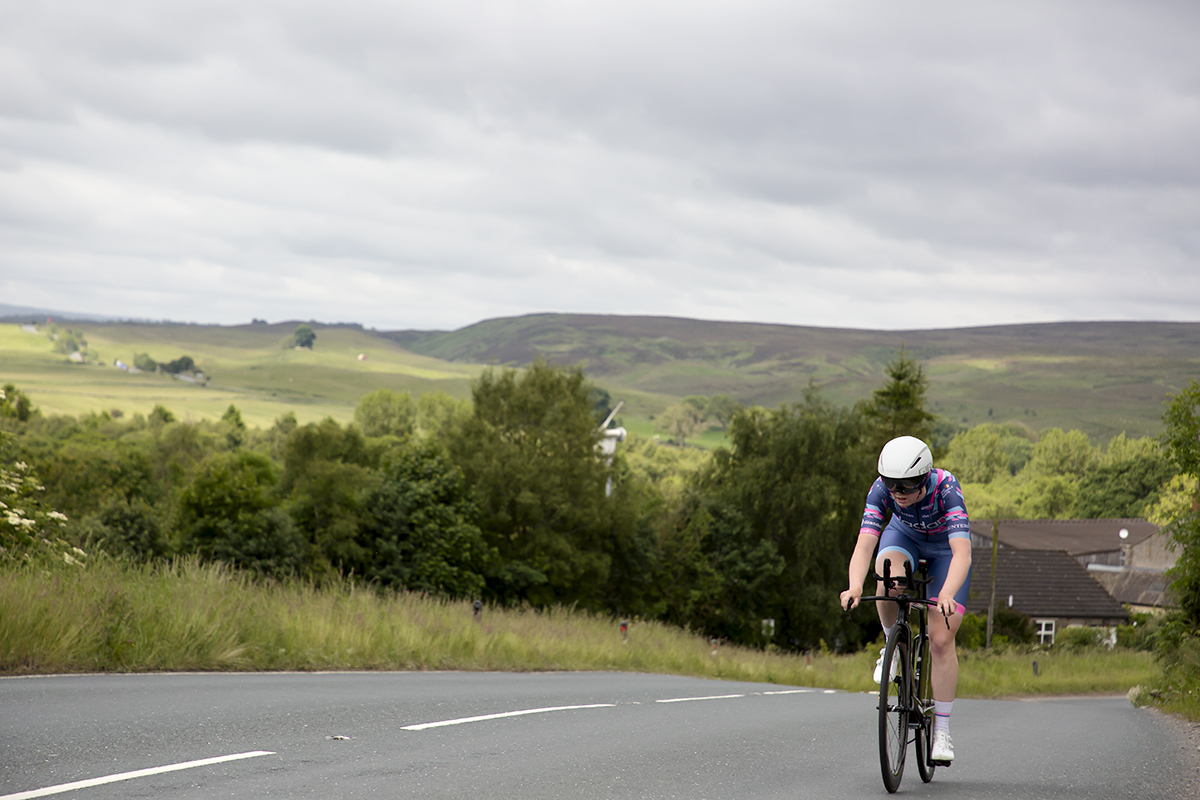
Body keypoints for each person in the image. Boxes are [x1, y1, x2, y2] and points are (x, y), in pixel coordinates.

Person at [840, 435, 972, 764]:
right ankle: (891, 646)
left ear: (924, 478)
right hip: (905, 538)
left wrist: (946, 594)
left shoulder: (946, 489)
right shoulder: (881, 490)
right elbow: (865, 544)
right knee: (888, 578)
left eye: (906, 487)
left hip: (945, 552)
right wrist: (855, 586)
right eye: (891, 485)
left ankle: (941, 731)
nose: (898, 494)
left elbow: (962, 554)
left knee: (941, 638)